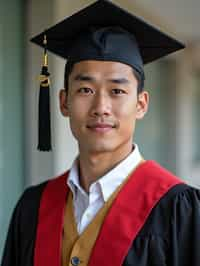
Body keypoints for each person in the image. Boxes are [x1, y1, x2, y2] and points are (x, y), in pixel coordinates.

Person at [1, 1, 200, 266]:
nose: (100, 108)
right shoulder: (33, 207)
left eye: (117, 91)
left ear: (141, 104)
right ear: (63, 102)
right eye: (85, 90)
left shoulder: (179, 210)